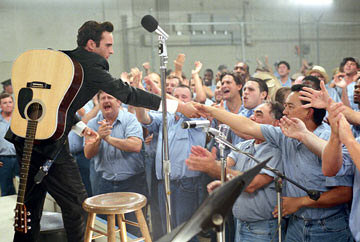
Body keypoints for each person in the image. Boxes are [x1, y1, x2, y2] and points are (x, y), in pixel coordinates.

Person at [5, 20, 200, 242]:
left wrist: (80, 127)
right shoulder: (91, 66)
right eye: (107, 45)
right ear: (91, 44)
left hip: (25, 137)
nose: (112, 50)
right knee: (78, 207)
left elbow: (55, 107)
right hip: (49, 144)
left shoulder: (61, 59)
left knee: (29, 206)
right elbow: (127, 94)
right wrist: (177, 106)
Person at [195, 84, 353, 241]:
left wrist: (300, 202)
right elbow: (248, 126)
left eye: (290, 107)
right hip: (296, 225)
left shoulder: (331, 140)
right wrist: (211, 110)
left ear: (308, 112)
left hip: (327, 227)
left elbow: (344, 193)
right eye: (285, 106)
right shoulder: (285, 135)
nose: (285, 112)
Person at [186, 101, 285, 242]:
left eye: (259, 114)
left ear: (275, 124)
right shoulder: (243, 146)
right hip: (240, 224)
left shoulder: (275, 151)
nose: (252, 118)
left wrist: (213, 167)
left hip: (262, 229)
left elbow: (252, 184)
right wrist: (212, 163)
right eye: (253, 113)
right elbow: (226, 165)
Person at [135, 85, 206, 242]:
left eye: (184, 97)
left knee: (185, 233)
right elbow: (143, 118)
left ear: (191, 100)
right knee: (170, 231)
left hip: (185, 185)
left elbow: (182, 106)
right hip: (164, 184)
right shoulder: (166, 118)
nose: (180, 100)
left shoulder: (196, 117)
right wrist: (138, 96)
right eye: (177, 96)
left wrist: (165, 97)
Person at [84, 90, 147, 236]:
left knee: (133, 229)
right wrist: (99, 137)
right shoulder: (93, 124)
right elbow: (88, 153)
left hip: (132, 183)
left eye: (110, 97)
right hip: (104, 184)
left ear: (118, 102)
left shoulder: (130, 119)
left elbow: (135, 146)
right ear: (99, 103)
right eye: (102, 98)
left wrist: (108, 139)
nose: (106, 101)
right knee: (106, 230)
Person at [0, 93, 19, 196]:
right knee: (6, 190)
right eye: (5, 103)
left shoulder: (19, 119)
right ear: (0, 105)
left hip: (20, 158)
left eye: (10, 102)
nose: (8, 105)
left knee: (24, 188)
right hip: (3, 161)